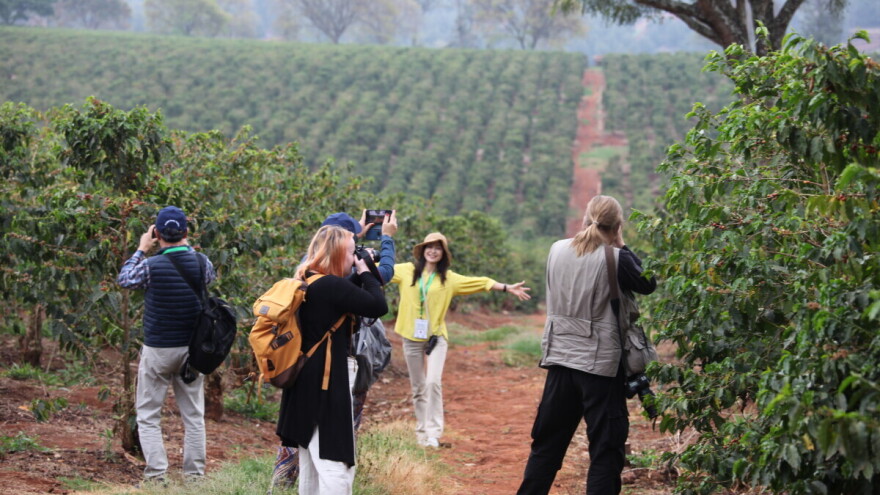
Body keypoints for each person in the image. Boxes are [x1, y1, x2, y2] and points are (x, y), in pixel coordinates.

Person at [517, 195, 657, 495]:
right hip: (600, 369)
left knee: (547, 445)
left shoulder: (556, 250)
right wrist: (621, 244)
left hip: (560, 361)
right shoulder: (617, 259)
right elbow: (648, 283)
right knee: (605, 451)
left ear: (585, 219)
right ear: (617, 226)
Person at [269, 211, 398, 493]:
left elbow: (347, 294)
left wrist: (361, 267)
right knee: (334, 461)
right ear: (339, 253)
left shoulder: (310, 279)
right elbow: (377, 306)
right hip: (325, 382)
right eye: (352, 253)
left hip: (304, 381)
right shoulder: (331, 286)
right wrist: (365, 271)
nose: (355, 258)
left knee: (310, 460)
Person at [390, 232, 531, 448]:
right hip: (411, 337)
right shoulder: (406, 271)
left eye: (438, 248)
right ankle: (421, 433)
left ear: (443, 253)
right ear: (422, 250)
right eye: (429, 247)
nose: (433, 251)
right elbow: (381, 268)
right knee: (418, 387)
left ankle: (434, 432)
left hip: (436, 338)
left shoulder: (449, 279)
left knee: (432, 382)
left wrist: (506, 287)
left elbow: (478, 282)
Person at [116, 206, 215, 484]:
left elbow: (125, 279)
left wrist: (140, 249)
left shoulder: (149, 266)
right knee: (194, 415)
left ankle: (157, 475)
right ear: (186, 232)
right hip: (192, 351)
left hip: (158, 349)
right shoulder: (202, 263)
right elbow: (208, 280)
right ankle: (195, 477)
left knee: (148, 415)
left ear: (156, 233)